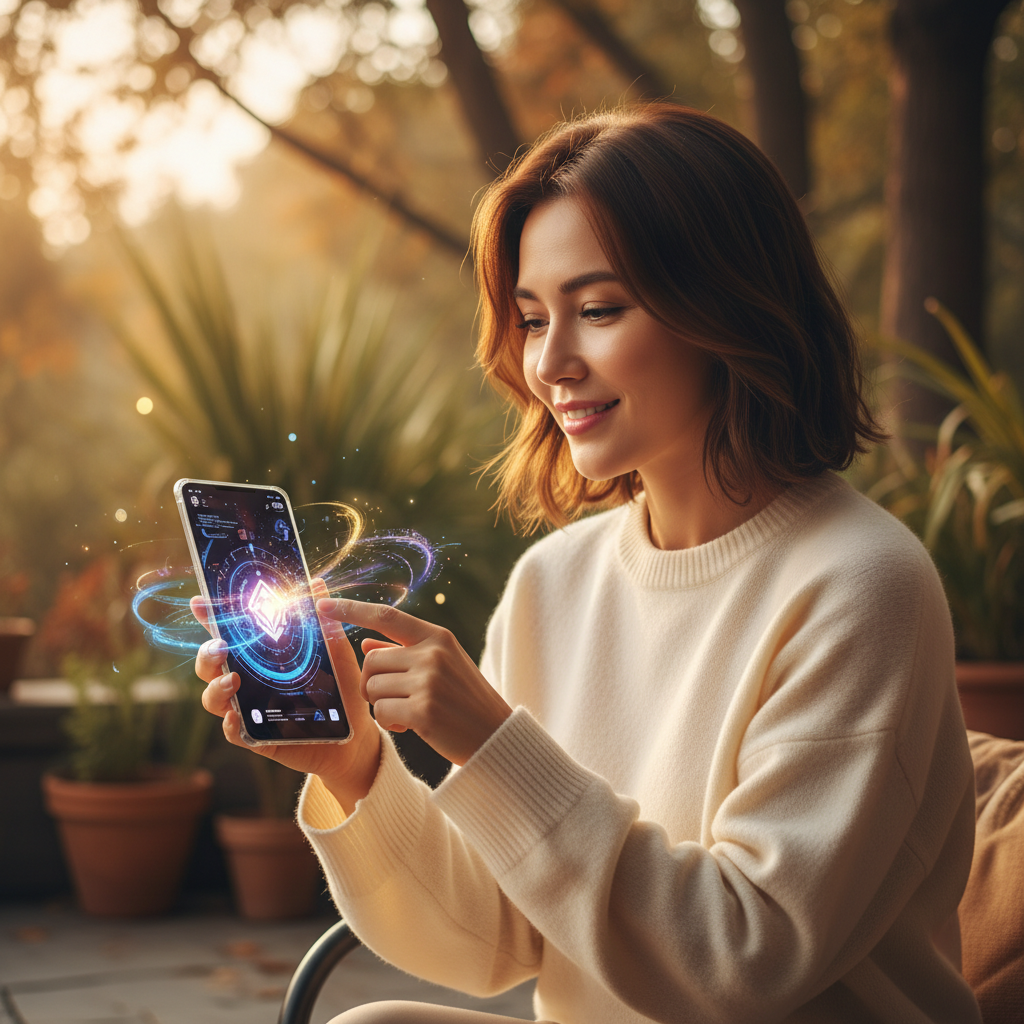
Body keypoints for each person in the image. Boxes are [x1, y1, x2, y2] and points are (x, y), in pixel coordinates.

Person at [193, 104, 982, 1024]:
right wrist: (354, 766)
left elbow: (745, 964)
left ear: (726, 306)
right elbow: (492, 945)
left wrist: (494, 745)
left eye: (599, 310)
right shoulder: (554, 582)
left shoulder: (861, 583)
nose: (551, 363)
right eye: (533, 320)